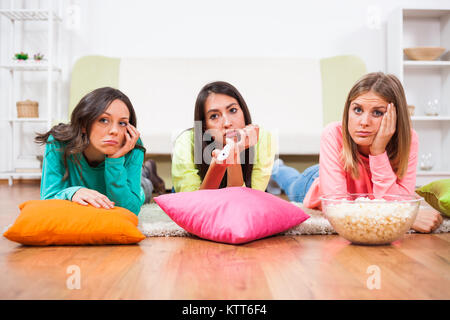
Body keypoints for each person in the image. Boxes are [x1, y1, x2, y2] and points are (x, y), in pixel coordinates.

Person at [270, 72, 443, 233]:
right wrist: (405, 218)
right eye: (358, 110)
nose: (364, 122)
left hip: (349, 176)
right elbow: (336, 209)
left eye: (377, 112)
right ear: (348, 109)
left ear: (396, 117)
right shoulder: (333, 133)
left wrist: (378, 152)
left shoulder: (409, 139)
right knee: (291, 183)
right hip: (318, 181)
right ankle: (276, 166)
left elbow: (402, 201)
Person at [35, 87, 152, 215]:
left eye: (122, 123)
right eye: (104, 120)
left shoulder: (132, 144)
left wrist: (115, 159)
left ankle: (148, 174)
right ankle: (147, 171)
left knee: (144, 189)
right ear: (84, 124)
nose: (115, 131)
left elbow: (130, 211)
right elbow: (47, 201)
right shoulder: (58, 142)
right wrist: (74, 192)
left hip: (133, 187)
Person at [171, 81, 276, 192]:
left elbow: (243, 202)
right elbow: (193, 204)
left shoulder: (262, 137)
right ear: (205, 127)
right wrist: (219, 164)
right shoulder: (186, 142)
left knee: (278, 174)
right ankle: (149, 171)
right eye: (214, 116)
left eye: (233, 110)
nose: (227, 123)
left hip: (246, 187)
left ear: (244, 112)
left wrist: (235, 151)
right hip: (193, 193)